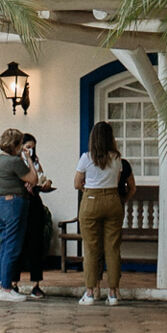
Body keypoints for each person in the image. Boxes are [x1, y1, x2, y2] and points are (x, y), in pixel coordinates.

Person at [73, 120, 126, 306]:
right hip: (113, 199)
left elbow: (77, 183)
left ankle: (90, 292)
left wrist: (89, 191)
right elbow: (118, 180)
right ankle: (113, 293)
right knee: (112, 247)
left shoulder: (86, 158)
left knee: (91, 248)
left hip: (91, 200)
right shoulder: (117, 158)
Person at [0, 127, 38, 302]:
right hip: (13, 204)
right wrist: (29, 159)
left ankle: (1, 285)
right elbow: (33, 179)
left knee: (5, 246)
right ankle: (6, 288)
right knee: (12, 247)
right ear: (17, 144)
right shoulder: (14, 162)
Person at [13, 134, 56, 298]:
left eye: (32, 147)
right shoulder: (16, 162)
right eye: (27, 147)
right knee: (18, 242)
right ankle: (14, 282)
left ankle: (36, 284)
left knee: (35, 243)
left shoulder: (35, 161)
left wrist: (46, 183)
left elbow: (41, 177)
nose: (30, 150)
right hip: (20, 202)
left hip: (34, 202)